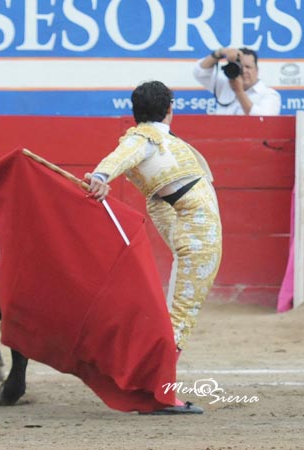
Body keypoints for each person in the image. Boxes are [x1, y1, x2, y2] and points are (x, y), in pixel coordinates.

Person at [85, 80, 223, 414]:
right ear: (171, 108)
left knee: (176, 310)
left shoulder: (156, 138)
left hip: (188, 224)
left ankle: (150, 380)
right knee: (180, 313)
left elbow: (153, 193)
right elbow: (124, 154)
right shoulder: (145, 137)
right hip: (198, 231)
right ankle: (160, 392)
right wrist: (102, 177)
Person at [193, 47, 281, 115]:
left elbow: (263, 120)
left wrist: (239, 91)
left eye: (248, 67)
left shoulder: (270, 95)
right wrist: (220, 53)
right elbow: (199, 72)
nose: (244, 71)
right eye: (240, 67)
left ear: (257, 70)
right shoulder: (224, 84)